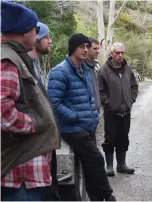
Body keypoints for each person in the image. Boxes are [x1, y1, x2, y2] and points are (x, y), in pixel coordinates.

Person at [1, 2, 60, 200]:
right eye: (35, 29)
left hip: (25, 171)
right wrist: (34, 123)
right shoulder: (8, 60)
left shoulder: (15, 57)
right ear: (26, 31)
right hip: (20, 173)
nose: (37, 35)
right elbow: (3, 113)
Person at [47, 33, 116, 201]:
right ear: (73, 48)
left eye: (87, 46)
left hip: (87, 126)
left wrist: (93, 115)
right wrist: (75, 116)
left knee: (89, 167)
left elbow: (90, 97)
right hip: (72, 128)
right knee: (97, 160)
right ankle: (108, 196)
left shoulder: (85, 69)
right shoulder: (60, 71)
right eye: (81, 47)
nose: (85, 50)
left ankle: (96, 198)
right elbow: (54, 102)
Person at [28, 21, 61, 201]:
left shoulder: (37, 64)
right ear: (37, 37)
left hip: (45, 141)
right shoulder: (23, 66)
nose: (50, 41)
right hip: (33, 144)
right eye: (47, 37)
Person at [98, 42, 138, 176]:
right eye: (117, 53)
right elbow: (100, 90)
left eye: (122, 53)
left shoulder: (128, 68)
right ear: (112, 54)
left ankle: (121, 165)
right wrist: (108, 103)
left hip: (125, 112)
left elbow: (134, 86)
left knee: (123, 138)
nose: (120, 55)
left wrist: (131, 100)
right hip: (111, 112)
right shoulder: (104, 69)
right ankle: (109, 166)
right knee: (110, 139)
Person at [85, 37, 102, 113]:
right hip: (86, 113)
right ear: (87, 49)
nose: (98, 51)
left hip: (95, 113)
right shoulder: (81, 67)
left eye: (98, 48)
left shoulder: (96, 65)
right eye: (95, 48)